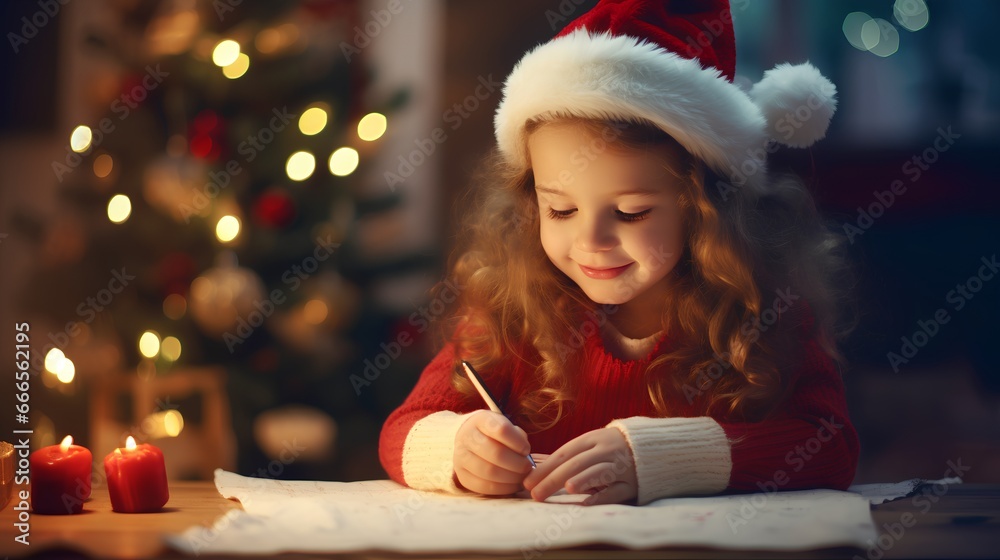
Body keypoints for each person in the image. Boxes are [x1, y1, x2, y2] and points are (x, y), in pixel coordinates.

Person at [379, 0, 859, 506]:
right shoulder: (507, 309)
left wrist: (659, 458)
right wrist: (458, 448)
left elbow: (831, 447)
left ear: (707, 209)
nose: (591, 241)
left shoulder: (765, 311)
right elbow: (401, 431)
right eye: (560, 211)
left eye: (631, 214)